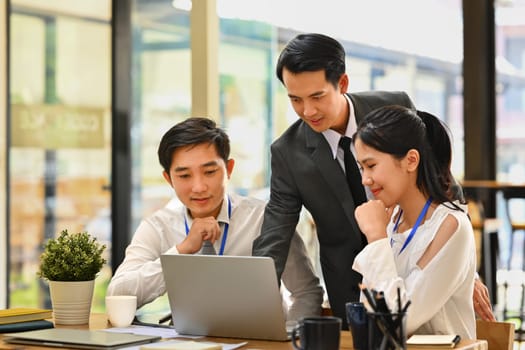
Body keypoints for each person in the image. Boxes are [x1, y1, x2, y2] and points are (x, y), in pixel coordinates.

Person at [252, 32, 495, 328]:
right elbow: (275, 235)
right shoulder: (287, 151)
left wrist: (459, 268)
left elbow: (439, 182)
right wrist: (251, 308)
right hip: (353, 292)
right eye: (295, 99)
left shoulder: (393, 108)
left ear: (342, 84)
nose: (307, 111)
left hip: (419, 292)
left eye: (317, 97)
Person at [107, 117, 324, 323]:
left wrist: (288, 338)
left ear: (228, 169)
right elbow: (118, 294)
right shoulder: (158, 227)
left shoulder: (264, 219)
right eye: (184, 176)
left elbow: (306, 292)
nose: (199, 187)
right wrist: (181, 251)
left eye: (209, 172)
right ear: (168, 179)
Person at [351, 105, 476, 338]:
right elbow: (372, 317)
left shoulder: (451, 225)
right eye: (361, 168)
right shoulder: (391, 220)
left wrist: (376, 238)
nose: (365, 180)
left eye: (371, 166)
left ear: (410, 160)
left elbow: (397, 322)